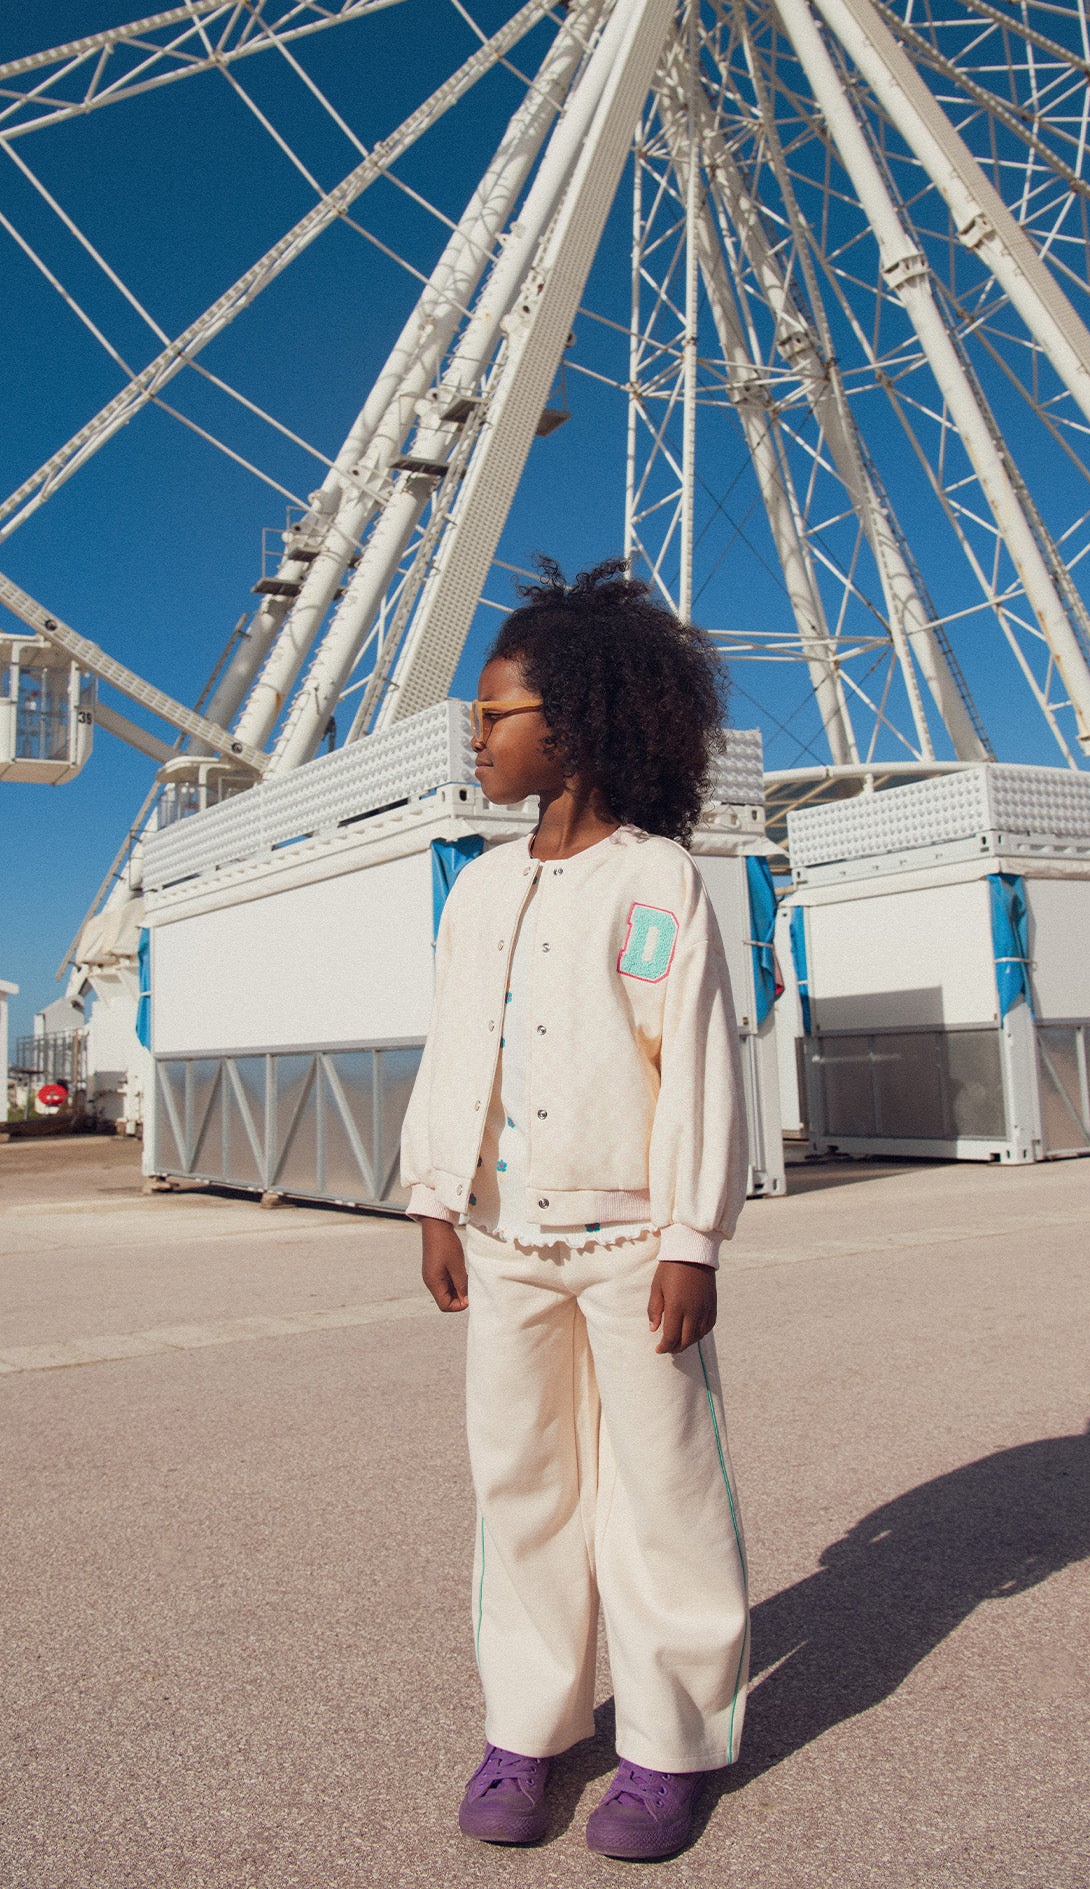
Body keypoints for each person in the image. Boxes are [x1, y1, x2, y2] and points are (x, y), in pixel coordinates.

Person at [401, 557, 751, 1861]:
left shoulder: (656, 884)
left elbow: (695, 1067)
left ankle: (671, 1745)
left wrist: (692, 1237)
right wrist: (437, 1199)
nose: (477, 739)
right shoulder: (481, 890)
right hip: (504, 1241)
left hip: (626, 1243)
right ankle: (527, 1729)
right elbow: (454, 1054)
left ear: (577, 722)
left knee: (661, 1490)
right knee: (521, 1487)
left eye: (496, 716)